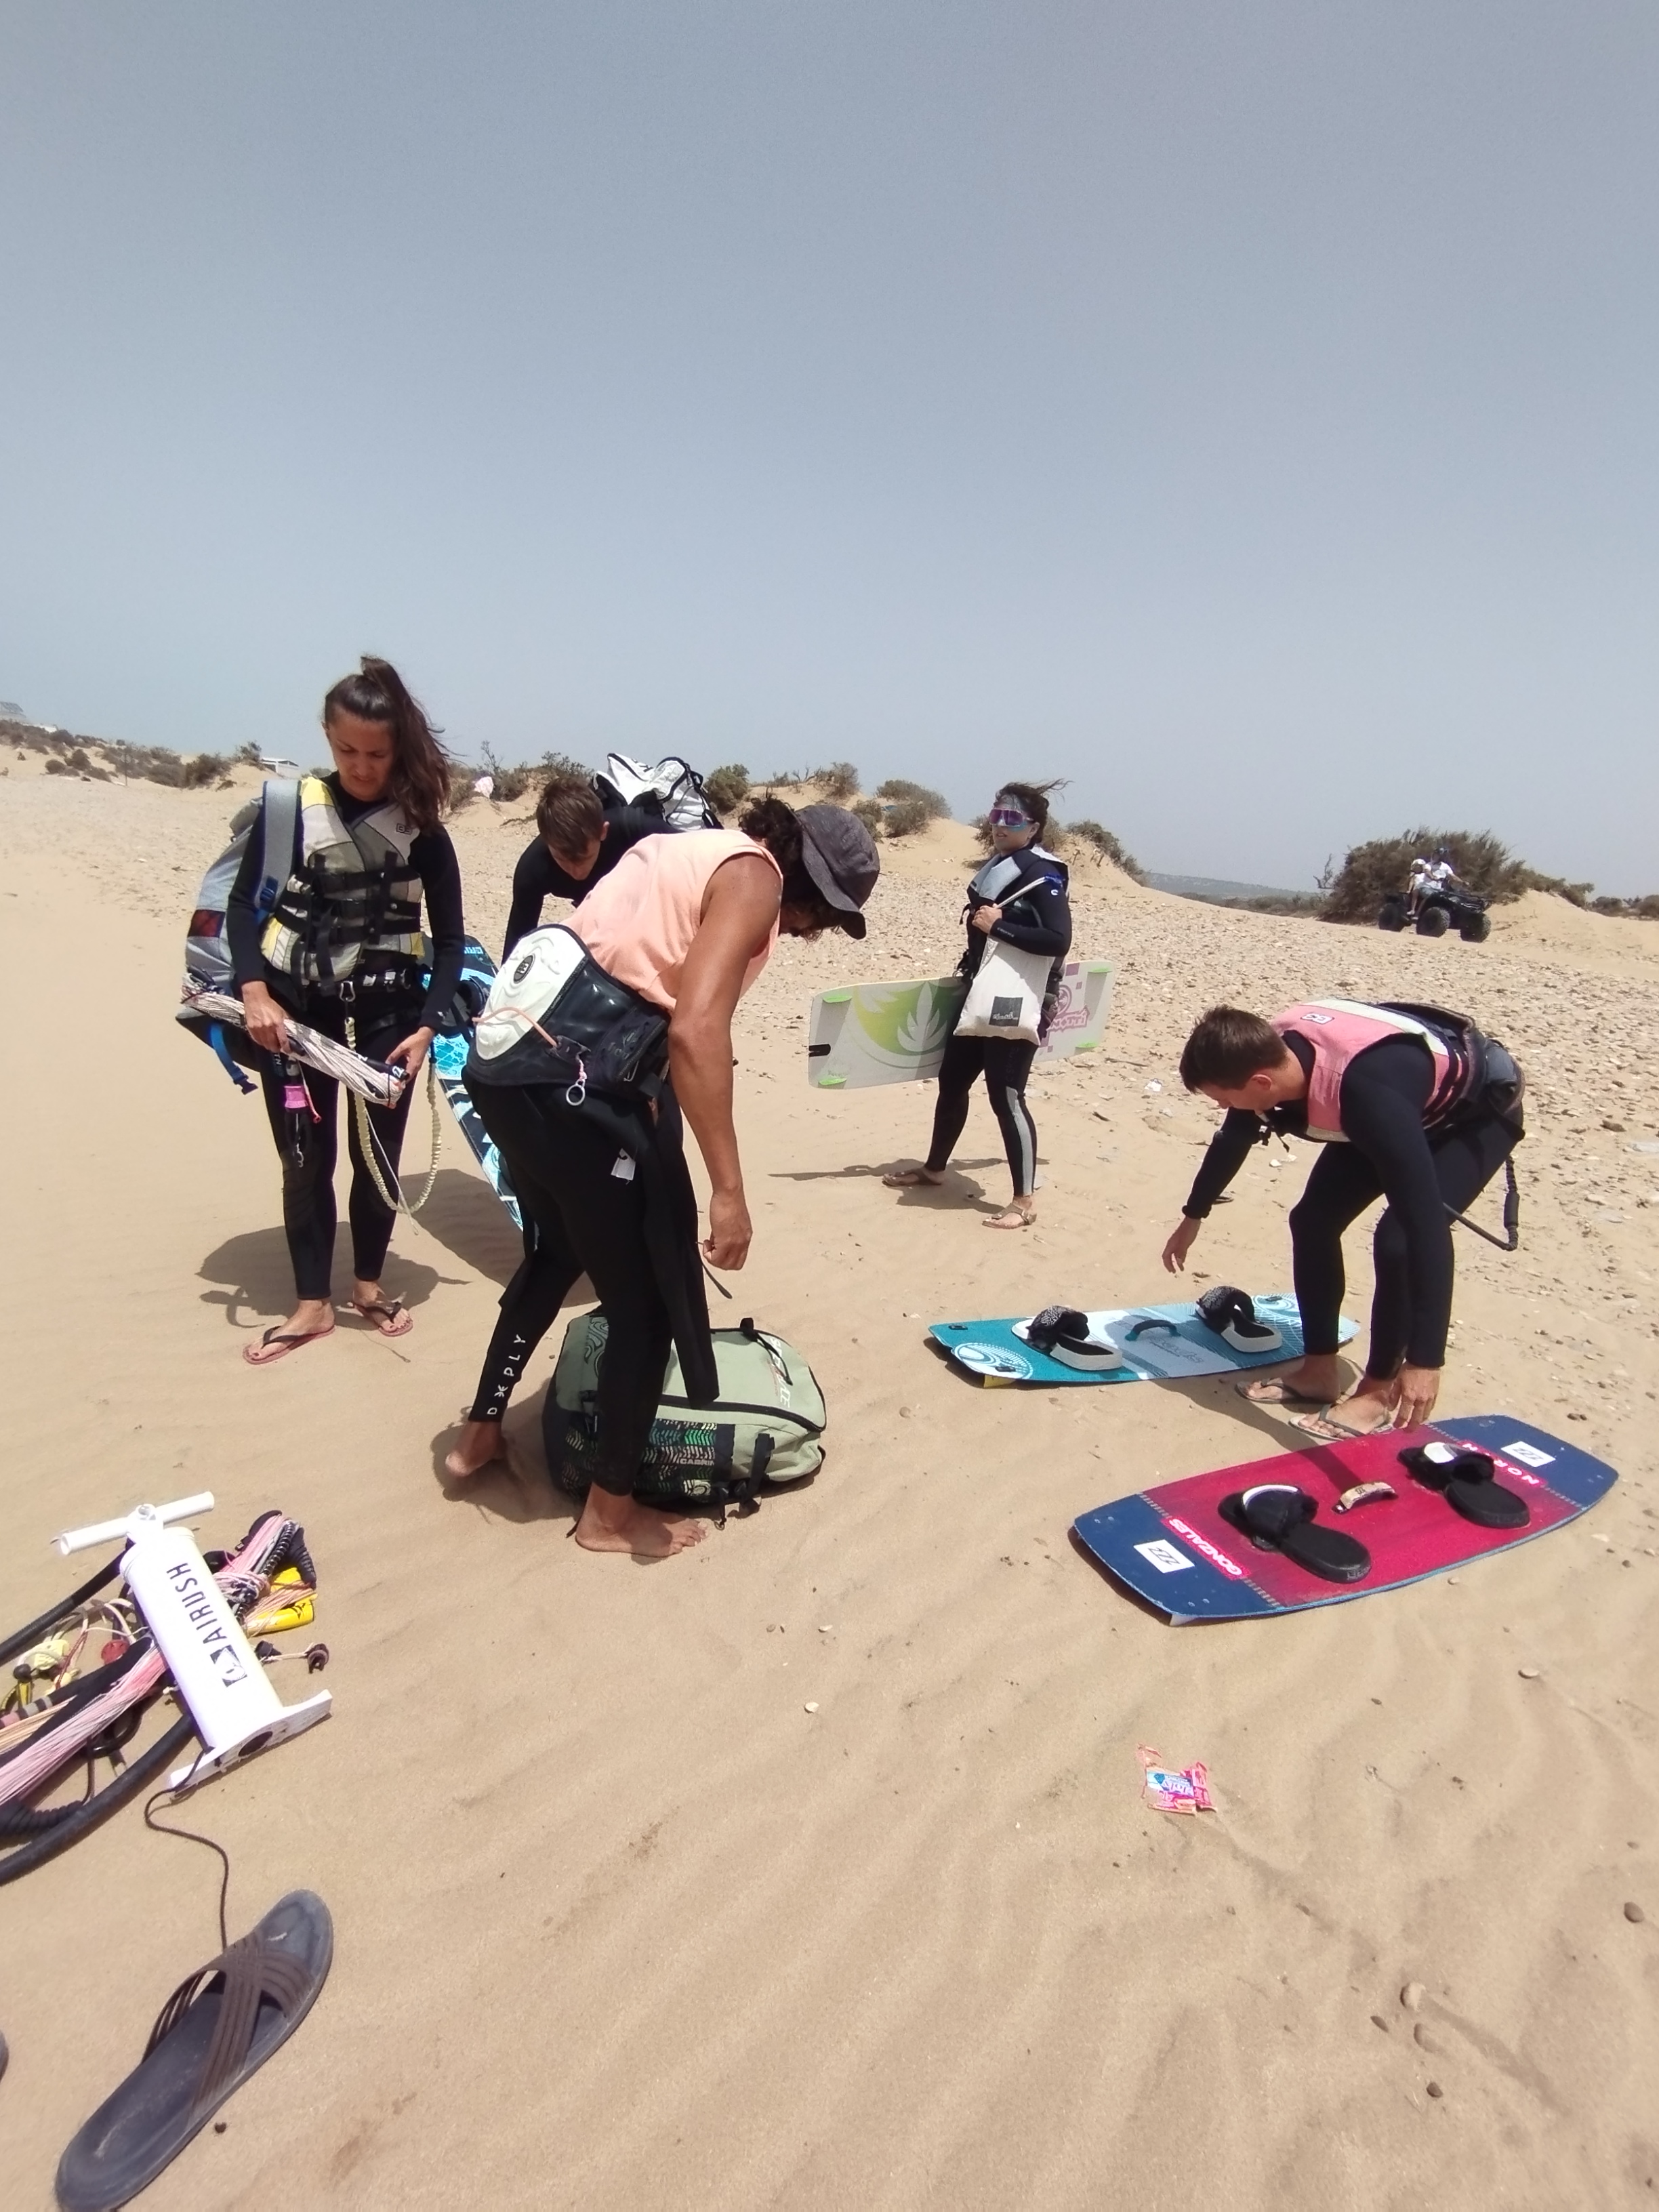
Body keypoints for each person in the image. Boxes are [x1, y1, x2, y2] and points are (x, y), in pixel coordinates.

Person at [445, 796, 880, 1557]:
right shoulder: (756, 879)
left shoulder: (691, 848)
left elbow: (641, 990)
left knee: (556, 1254)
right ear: (808, 878)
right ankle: (608, 1517)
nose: (811, 932)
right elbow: (695, 1028)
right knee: (646, 1310)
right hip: (570, 1080)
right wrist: (728, 1190)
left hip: (506, 1065)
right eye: (824, 915)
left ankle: (478, 1433)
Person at [230, 657, 466, 1366]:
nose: (362, 767)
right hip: (293, 1018)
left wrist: (427, 1027)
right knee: (304, 1161)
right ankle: (311, 1305)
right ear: (327, 738)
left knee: (378, 1164)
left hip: (388, 1023)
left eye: (378, 753)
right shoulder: (289, 811)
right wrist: (255, 992)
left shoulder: (422, 829)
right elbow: (244, 907)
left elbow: (450, 941)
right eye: (347, 751)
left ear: (401, 749)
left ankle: (365, 1286)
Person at [1160, 1000, 1524, 1435]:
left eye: (1222, 1098)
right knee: (1313, 1220)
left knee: (1398, 1241)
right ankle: (1318, 1372)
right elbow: (1233, 1139)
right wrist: (1193, 1215)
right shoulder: (1261, 1058)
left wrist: (1426, 1359)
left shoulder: (1365, 1095)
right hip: (1400, 1106)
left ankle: (1374, 1394)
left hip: (1471, 1118)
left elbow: (1425, 1230)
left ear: (1260, 1082)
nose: (1222, 1106)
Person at [882, 780, 1071, 1229]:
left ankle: (1023, 1203)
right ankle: (934, 1169)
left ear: (1034, 828)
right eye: (997, 815)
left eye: (1013, 819)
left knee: (1006, 1095)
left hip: (1016, 997)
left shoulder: (1043, 875)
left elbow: (1058, 939)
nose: (1001, 825)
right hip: (980, 992)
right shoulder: (1000, 865)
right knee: (953, 1081)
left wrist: (999, 928)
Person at [501, 773, 674, 956]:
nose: (576, 872)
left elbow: (699, 854)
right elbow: (516, 948)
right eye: (562, 859)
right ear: (547, 841)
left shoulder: (632, 827)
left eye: (584, 857)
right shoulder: (533, 868)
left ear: (603, 832)